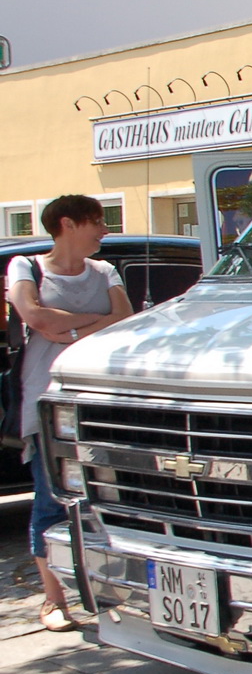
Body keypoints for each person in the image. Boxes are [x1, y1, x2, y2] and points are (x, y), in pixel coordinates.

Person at [7, 195, 133, 631]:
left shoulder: (105, 271)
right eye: (96, 222)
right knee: (51, 499)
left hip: (101, 403)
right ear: (67, 223)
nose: (103, 231)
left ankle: (107, 590)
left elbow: (126, 318)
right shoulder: (26, 267)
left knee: (108, 500)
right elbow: (32, 314)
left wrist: (71, 328)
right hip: (47, 402)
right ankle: (53, 600)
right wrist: (94, 322)